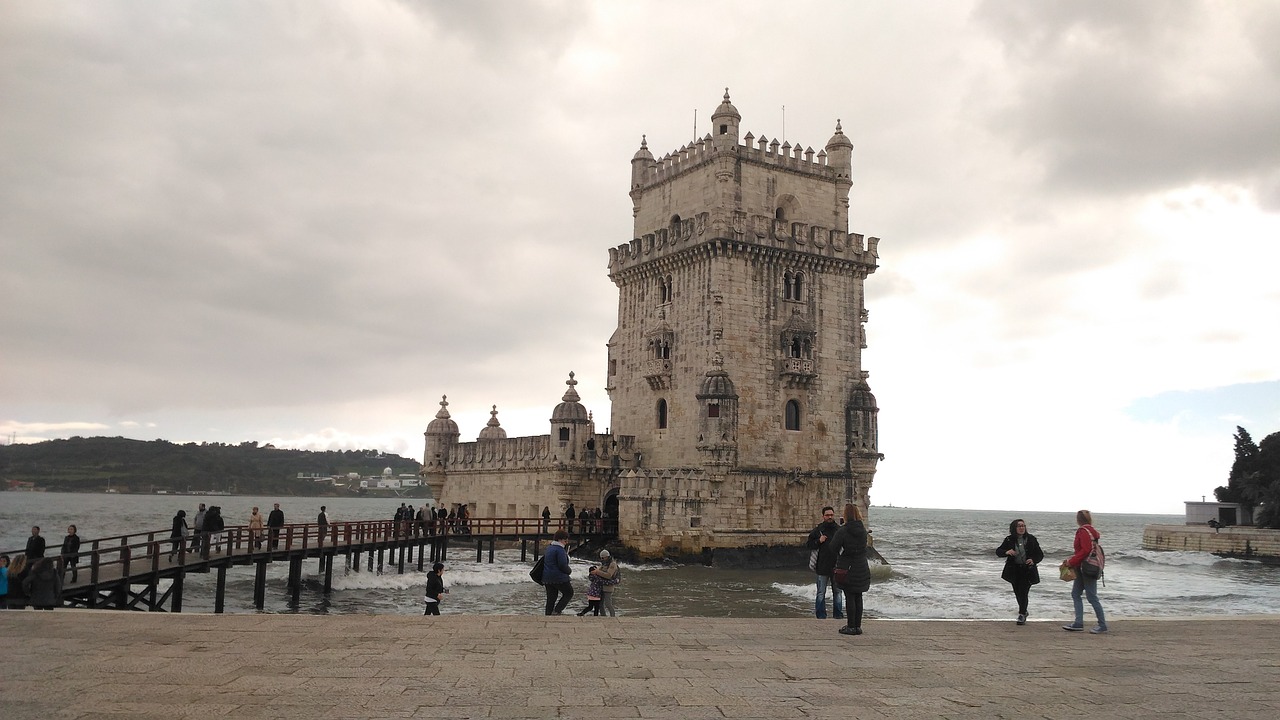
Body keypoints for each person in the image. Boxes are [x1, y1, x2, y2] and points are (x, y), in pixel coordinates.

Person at [1062, 509, 1108, 634]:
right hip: (1086, 566)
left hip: (1085, 567)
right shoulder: (1092, 532)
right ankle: (1078, 623)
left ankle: (1102, 624)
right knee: (1076, 593)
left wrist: (1071, 561)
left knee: (1091, 596)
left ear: (1078, 519)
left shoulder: (1083, 531)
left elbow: (1085, 550)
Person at [831, 503, 871, 636]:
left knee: (849, 596)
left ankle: (850, 626)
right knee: (858, 596)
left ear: (845, 515)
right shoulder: (863, 530)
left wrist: (842, 552)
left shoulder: (843, 530)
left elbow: (833, 547)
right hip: (862, 566)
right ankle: (858, 627)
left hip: (847, 567)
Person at [996, 518, 1044, 625]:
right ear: (1014, 528)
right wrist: (1007, 552)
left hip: (1027, 570)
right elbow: (998, 551)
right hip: (1014, 570)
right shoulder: (1009, 539)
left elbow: (1040, 554)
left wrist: (1033, 560)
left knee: (1024, 592)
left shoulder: (1031, 539)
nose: (1022, 528)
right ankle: (1024, 611)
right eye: (1019, 526)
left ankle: (1022, 614)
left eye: (1023, 526)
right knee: (1018, 592)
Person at [806, 506, 844, 620]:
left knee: (838, 593)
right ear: (823, 516)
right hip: (822, 566)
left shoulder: (839, 530)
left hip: (837, 566)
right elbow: (809, 544)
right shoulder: (818, 530)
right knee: (821, 592)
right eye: (827, 515)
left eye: (831, 515)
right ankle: (821, 616)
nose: (830, 517)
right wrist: (819, 540)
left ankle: (838, 615)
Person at [542, 529, 573, 615]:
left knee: (551, 597)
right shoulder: (560, 550)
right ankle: (557, 611)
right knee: (569, 593)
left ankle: (548, 614)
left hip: (547, 577)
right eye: (565, 540)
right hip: (558, 577)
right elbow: (562, 565)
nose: (566, 542)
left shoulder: (549, 548)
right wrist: (569, 571)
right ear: (560, 539)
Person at [592, 549, 620, 617]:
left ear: (607, 557)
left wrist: (597, 572)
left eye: (603, 558)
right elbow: (600, 570)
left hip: (608, 587)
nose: (602, 559)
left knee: (608, 604)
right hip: (601, 586)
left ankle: (613, 617)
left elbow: (608, 575)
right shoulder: (604, 564)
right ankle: (603, 617)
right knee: (600, 604)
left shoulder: (612, 564)